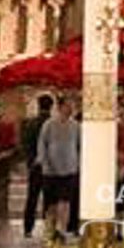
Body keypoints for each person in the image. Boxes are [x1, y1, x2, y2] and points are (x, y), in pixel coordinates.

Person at [37, 94, 82, 238]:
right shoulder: (49, 124)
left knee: (66, 201)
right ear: (60, 107)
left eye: (72, 107)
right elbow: (42, 145)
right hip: (50, 171)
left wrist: (78, 164)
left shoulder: (76, 126)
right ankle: (50, 228)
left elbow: (80, 146)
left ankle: (62, 229)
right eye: (68, 106)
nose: (70, 109)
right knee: (51, 203)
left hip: (69, 169)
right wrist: (44, 163)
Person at [20, 94, 54, 237]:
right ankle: (49, 228)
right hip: (50, 167)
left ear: (38, 105)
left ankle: (28, 229)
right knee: (49, 198)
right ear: (51, 107)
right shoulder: (53, 123)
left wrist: (30, 161)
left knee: (32, 198)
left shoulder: (30, 123)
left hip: (35, 165)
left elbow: (25, 144)